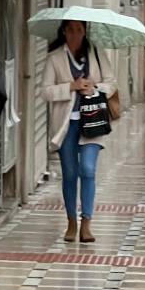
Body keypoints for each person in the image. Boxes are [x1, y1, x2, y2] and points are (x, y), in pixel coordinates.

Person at [42, 20, 117, 243]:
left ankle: (86, 223)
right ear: (64, 31)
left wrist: (97, 87)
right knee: (70, 174)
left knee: (88, 170)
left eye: (80, 29)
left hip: (92, 122)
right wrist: (70, 87)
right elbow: (45, 92)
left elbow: (112, 83)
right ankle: (71, 222)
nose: (75, 34)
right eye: (71, 29)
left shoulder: (95, 54)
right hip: (66, 125)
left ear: (85, 32)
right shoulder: (54, 57)